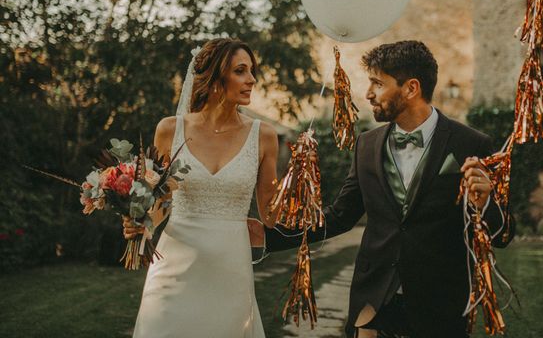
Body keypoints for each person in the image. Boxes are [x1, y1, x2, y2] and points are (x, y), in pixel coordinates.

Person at [248, 40, 515, 338]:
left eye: (377, 83)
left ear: (411, 88)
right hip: (373, 301)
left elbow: (502, 235)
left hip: (439, 304)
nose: (368, 93)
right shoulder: (367, 144)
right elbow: (339, 216)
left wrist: (485, 204)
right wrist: (270, 237)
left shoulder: (472, 144)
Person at [124, 38, 279, 338]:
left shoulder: (264, 136)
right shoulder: (170, 129)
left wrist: (300, 177)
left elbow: (272, 216)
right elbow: (161, 203)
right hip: (173, 267)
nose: (252, 80)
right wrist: (140, 224)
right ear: (215, 77)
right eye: (241, 71)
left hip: (230, 271)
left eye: (251, 71)